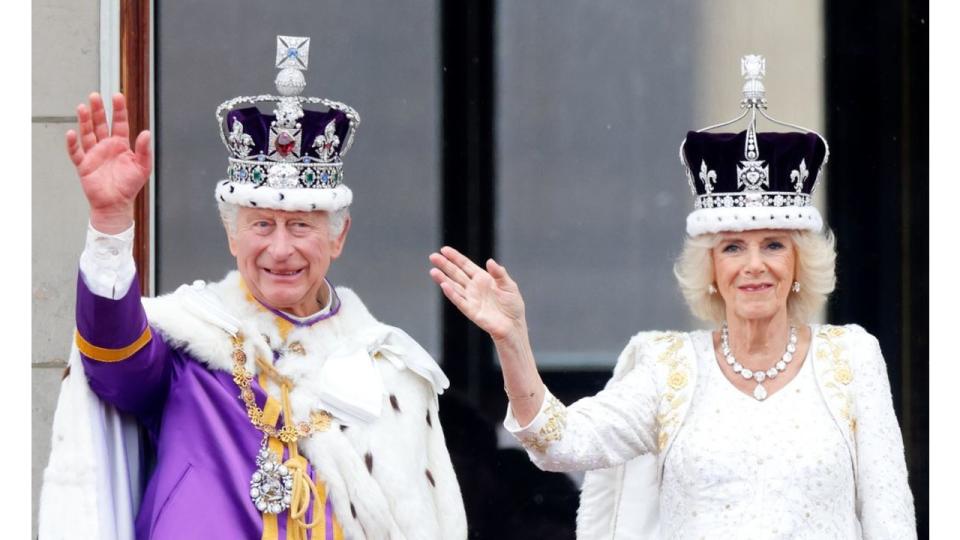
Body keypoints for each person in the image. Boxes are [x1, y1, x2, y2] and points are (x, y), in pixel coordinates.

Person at [428, 56, 916, 539]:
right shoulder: (670, 369)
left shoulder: (851, 360)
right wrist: (512, 338)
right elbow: (558, 443)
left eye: (773, 245)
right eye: (732, 247)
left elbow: (890, 518)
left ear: (797, 265)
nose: (753, 264)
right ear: (710, 270)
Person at [39, 35, 467, 540]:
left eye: (301, 226)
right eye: (262, 224)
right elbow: (114, 365)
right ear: (231, 235)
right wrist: (110, 226)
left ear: (338, 238)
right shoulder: (190, 345)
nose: (280, 249)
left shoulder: (391, 372)